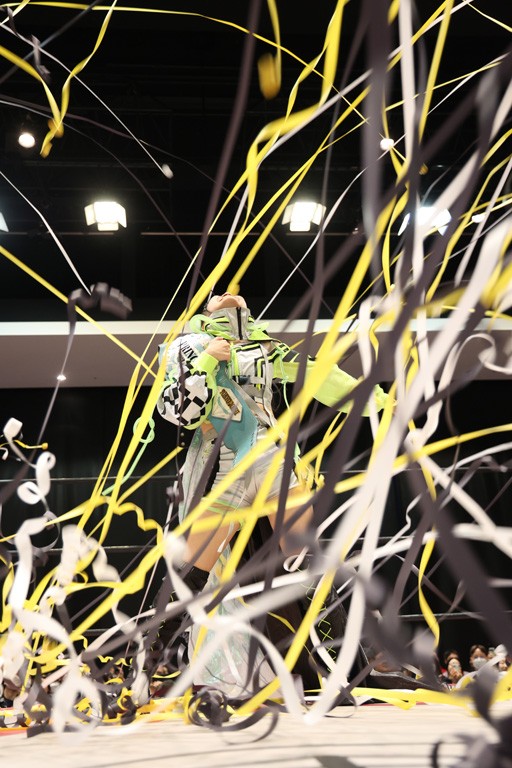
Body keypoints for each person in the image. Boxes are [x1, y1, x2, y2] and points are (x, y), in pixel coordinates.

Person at [142, 291, 390, 696]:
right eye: (216, 295)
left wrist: (377, 399)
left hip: (274, 462)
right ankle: (145, 672)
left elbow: (321, 375)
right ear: (205, 310)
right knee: (190, 574)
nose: (228, 292)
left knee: (309, 562)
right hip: (223, 469)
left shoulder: (268, 349)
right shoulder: (187, 346)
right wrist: (208, 361)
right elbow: (179, 413)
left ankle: (340, 671)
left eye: (234, 293)